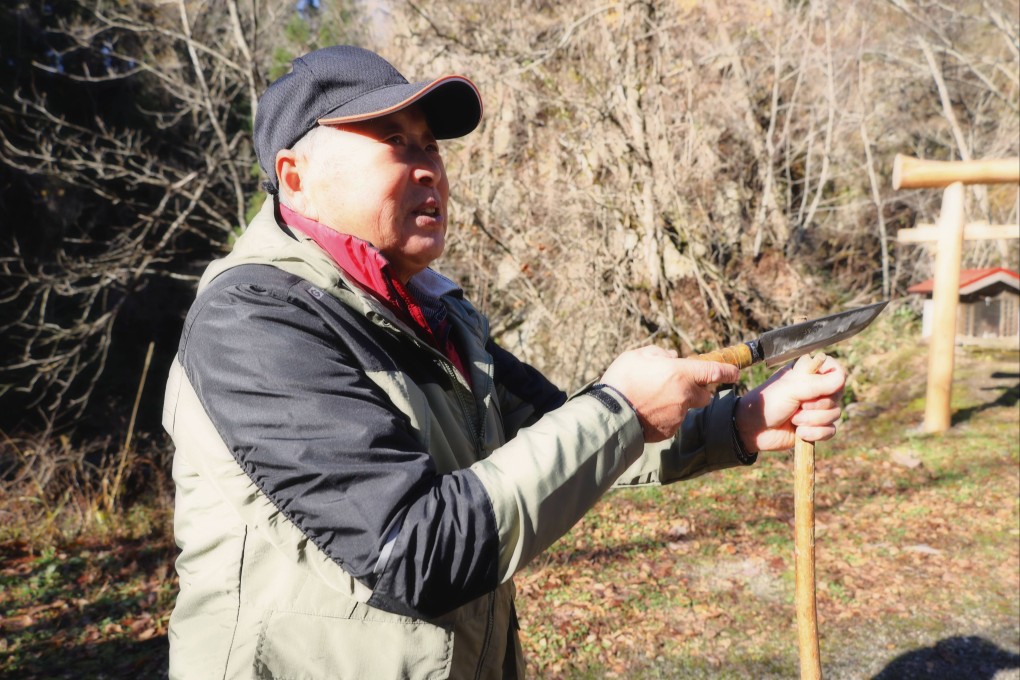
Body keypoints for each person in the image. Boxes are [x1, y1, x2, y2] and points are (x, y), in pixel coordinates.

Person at [162, 45, 847, 679]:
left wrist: (743, 421)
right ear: (295, 177)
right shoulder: (253, 323)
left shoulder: (433, 312)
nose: (429, 165)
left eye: (430, 143)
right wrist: (625, 409)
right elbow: (415, 548)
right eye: (394, 143)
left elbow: (571, 432)